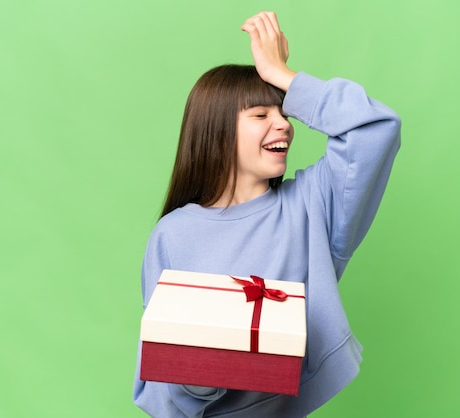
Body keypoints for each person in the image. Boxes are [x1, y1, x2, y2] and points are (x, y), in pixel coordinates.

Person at [132, 11, 401, 418]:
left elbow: (376, 129)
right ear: (216, 131)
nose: (284, 125)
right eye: (261, 115)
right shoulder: (173, 235)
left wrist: (283, 75)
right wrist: (200, 375)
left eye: (285, 112)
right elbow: (159, 383)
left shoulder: (312, 206)